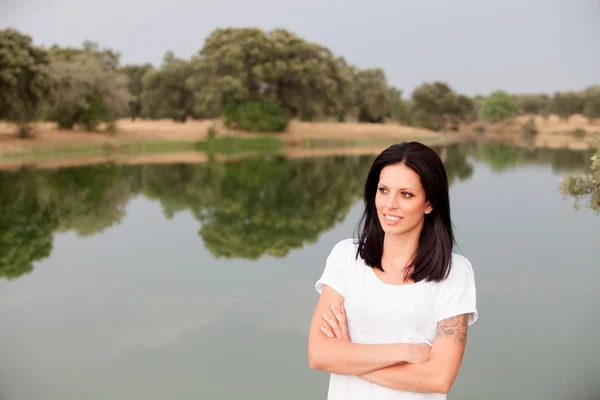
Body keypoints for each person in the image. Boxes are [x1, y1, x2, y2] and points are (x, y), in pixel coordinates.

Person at [307, 142, 478, 399]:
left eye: (406, 194)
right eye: (383, 190)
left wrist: (348, 357)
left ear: (429, 202)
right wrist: (405, 351)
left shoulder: (455, 272)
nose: (390, 205)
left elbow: (439, 378)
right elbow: (319, 355)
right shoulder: (346, 257)